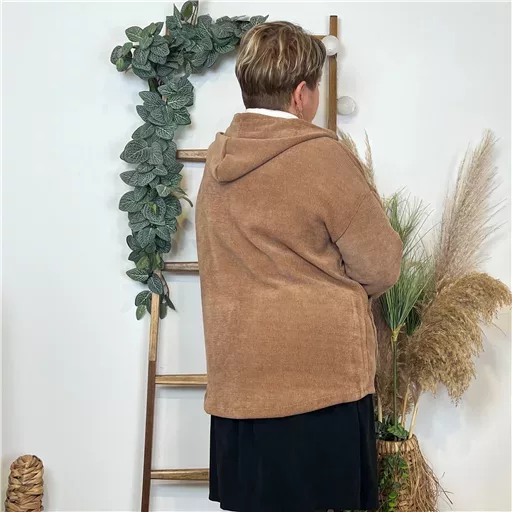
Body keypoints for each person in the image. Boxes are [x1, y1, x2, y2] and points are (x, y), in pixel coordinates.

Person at [195, 21, 403, 512]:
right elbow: (382, 265)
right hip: (321, 389)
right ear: (300, 94)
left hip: (241, 389)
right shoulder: (323, 159)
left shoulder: (216, 163)